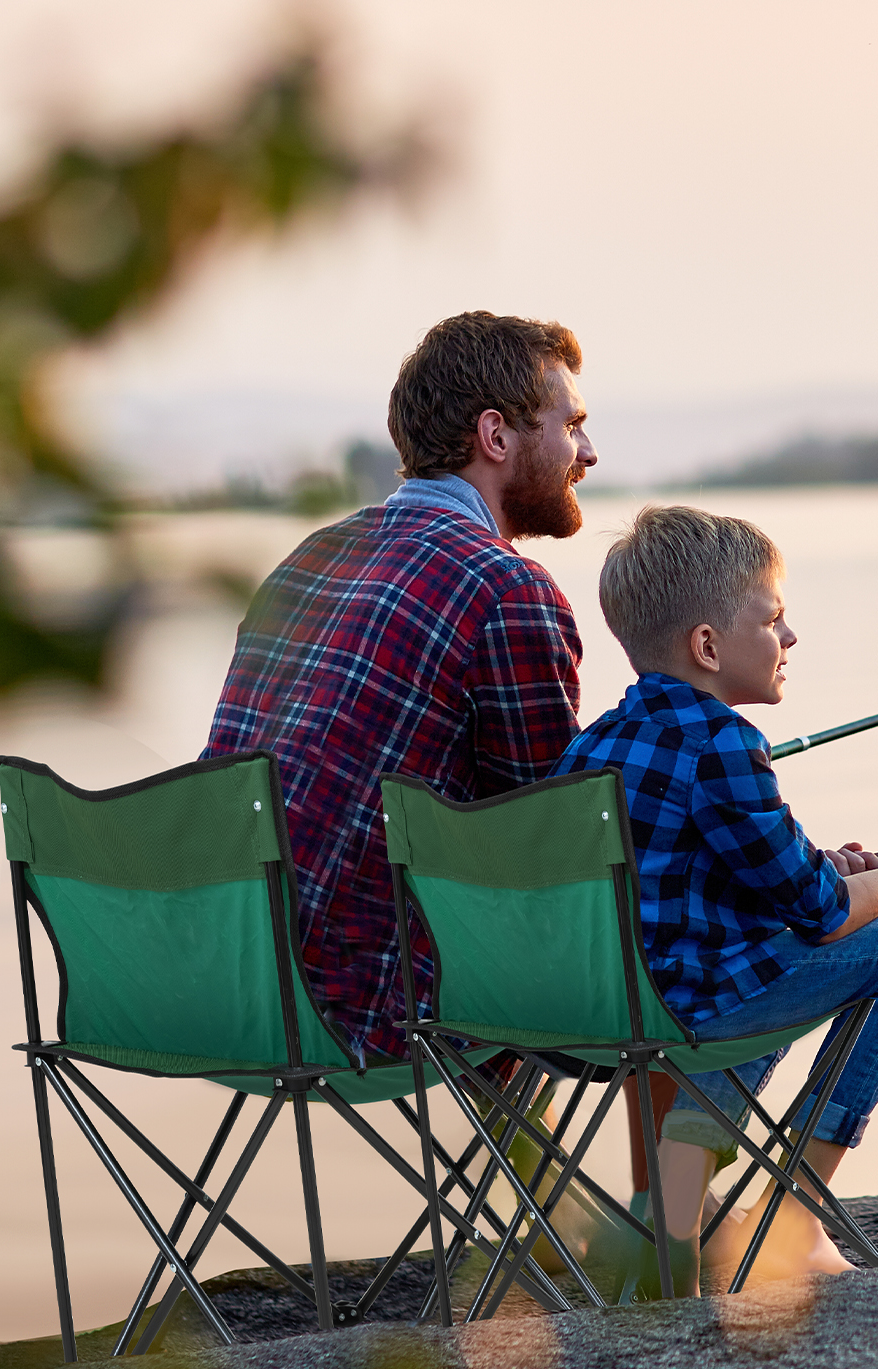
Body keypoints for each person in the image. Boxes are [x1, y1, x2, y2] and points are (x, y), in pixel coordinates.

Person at [551, 505, 878, 1295]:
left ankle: (672, 1220)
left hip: (608, 1012)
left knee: (749, 955)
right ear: (708, 646)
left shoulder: (593, 743)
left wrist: (835, 867)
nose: (792, 638)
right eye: (775, 619)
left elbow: (725, 873)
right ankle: (795, 1218)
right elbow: (821, 913)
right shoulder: (724, 745)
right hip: (689, 1014)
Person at [202, 311, 596, 1063]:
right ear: (497, 436)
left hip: (215, 984)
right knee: (686, 953)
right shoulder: (506, 588)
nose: (589, 452)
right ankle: (638, 1185)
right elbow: (551, 858)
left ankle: (518, 1181)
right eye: (571, 424)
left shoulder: (310, 559)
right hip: (366, 1006)